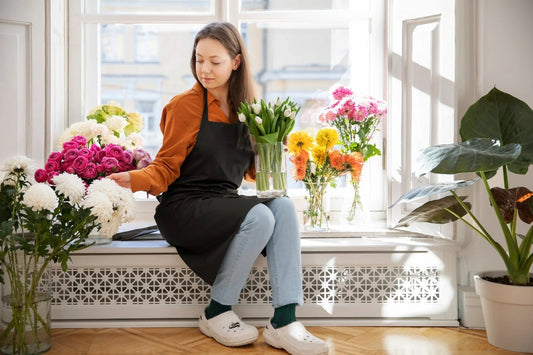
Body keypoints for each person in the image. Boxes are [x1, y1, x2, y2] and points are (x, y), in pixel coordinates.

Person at [108, 22, 329, 355]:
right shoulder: (186, 105)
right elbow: (166, 168)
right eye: (199, 60)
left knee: (281, 207)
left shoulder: (249, 111)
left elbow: (251, 174)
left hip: (224, 204)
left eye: (215, 61)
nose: (204, 69)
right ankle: (216, 312)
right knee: (260, 217)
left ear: (236, 62)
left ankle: (284, 321)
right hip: (184, 207)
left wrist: (271, 149)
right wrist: (132, 179)